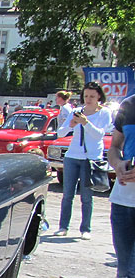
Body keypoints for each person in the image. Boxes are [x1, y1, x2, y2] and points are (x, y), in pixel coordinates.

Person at [88, 92, 135, 278]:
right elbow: (114, 147)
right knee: (126, 274)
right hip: (123, 201)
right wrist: (117, 164)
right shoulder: (129, 106)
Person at [52, 81, 112, 239]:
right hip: (73, 156)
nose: (89, 99)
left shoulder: (104, 113)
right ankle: (63, 226)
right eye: (86, 96)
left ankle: (86, 229)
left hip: (90, 158)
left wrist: (86, 122)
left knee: (86, 196)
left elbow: (99, 135)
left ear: (99, 96)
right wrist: (71, 125)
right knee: (67, 194)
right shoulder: (76, 111)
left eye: (92, 96)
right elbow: (61, 133)